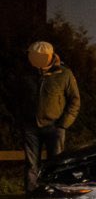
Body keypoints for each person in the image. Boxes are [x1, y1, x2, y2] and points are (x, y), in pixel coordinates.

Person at [23, 41, 80, 191]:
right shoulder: (28, 74)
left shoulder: (64, 74)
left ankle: (53, 194)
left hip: (54, 126)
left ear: (50, 56)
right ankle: (32, 196)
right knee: (31, 165)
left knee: (55, 164)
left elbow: (75, 100)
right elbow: (18, 98)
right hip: (31, 126)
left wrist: (63, 124)